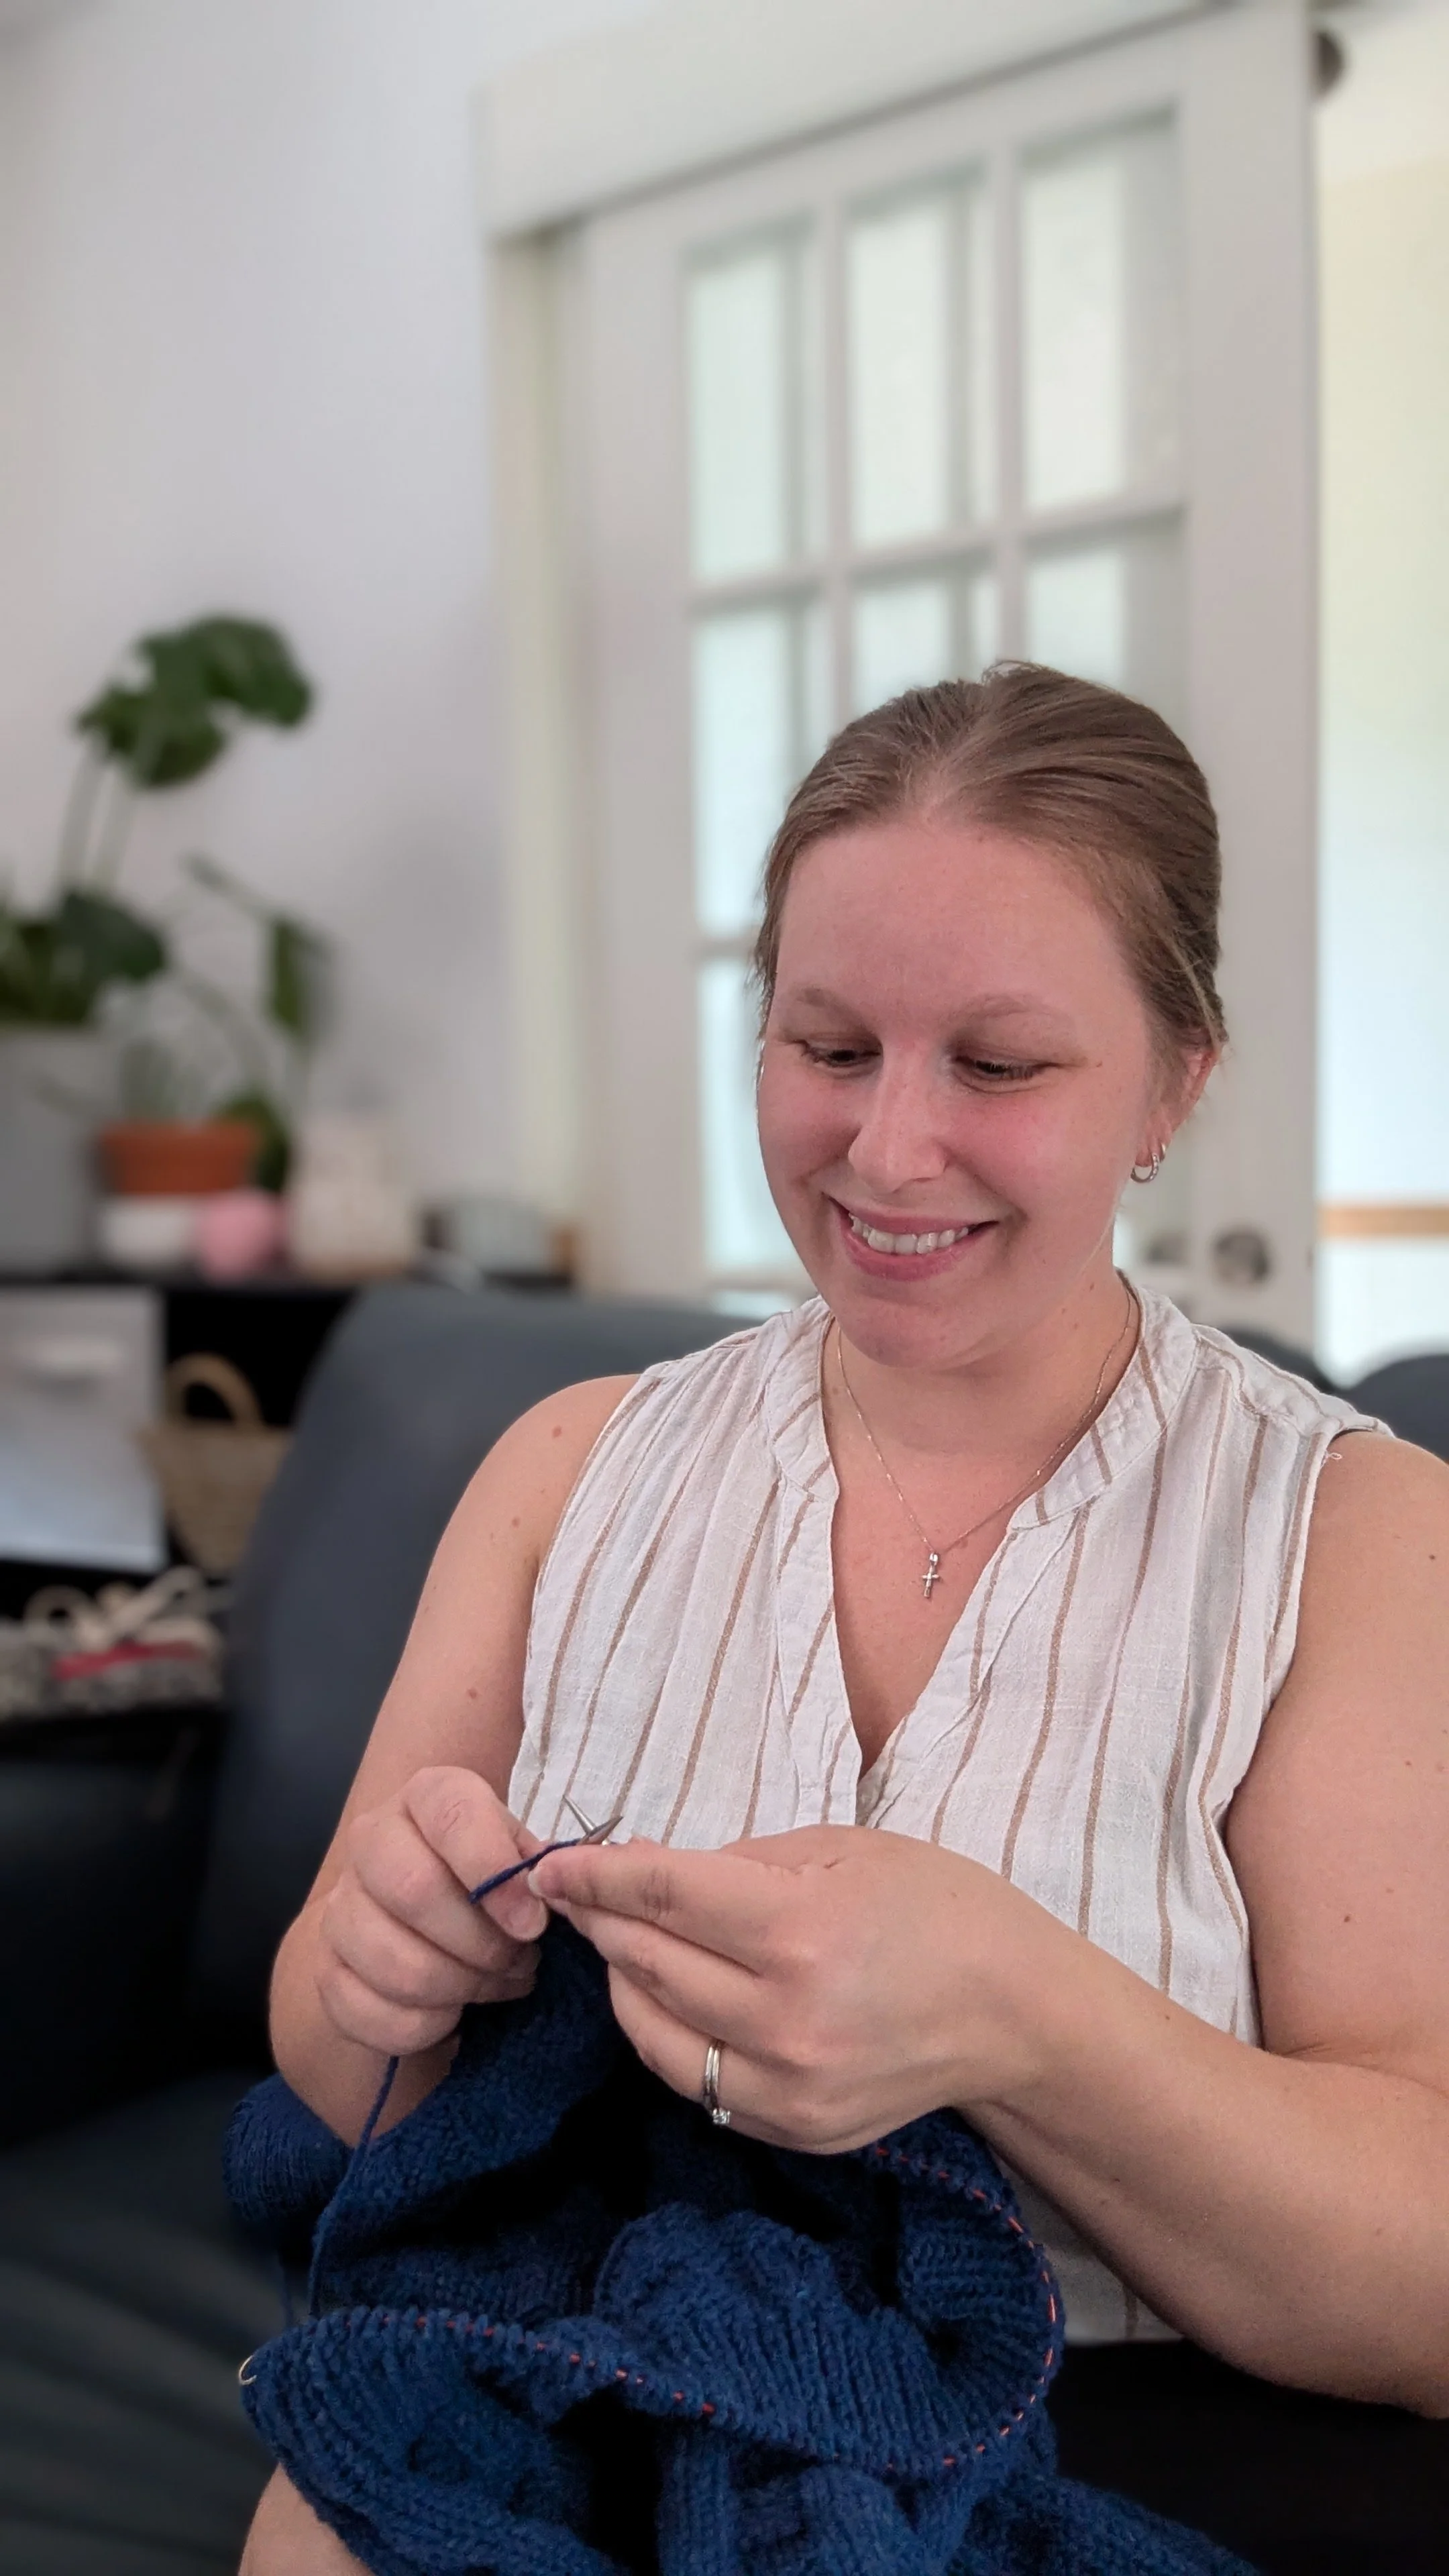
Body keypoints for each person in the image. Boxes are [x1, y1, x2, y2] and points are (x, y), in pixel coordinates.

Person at [241, 667, 1449, 2575]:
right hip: (603, 2361)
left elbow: (1426, 2286)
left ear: (1175, 1080)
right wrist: (379, 1972)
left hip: (1133, 2442)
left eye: (998, 1065)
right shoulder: (566, 1471)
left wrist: (1018, 2017)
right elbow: (334, 2054)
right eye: (828, 1045)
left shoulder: (1356, 1540)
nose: (887, 1151)